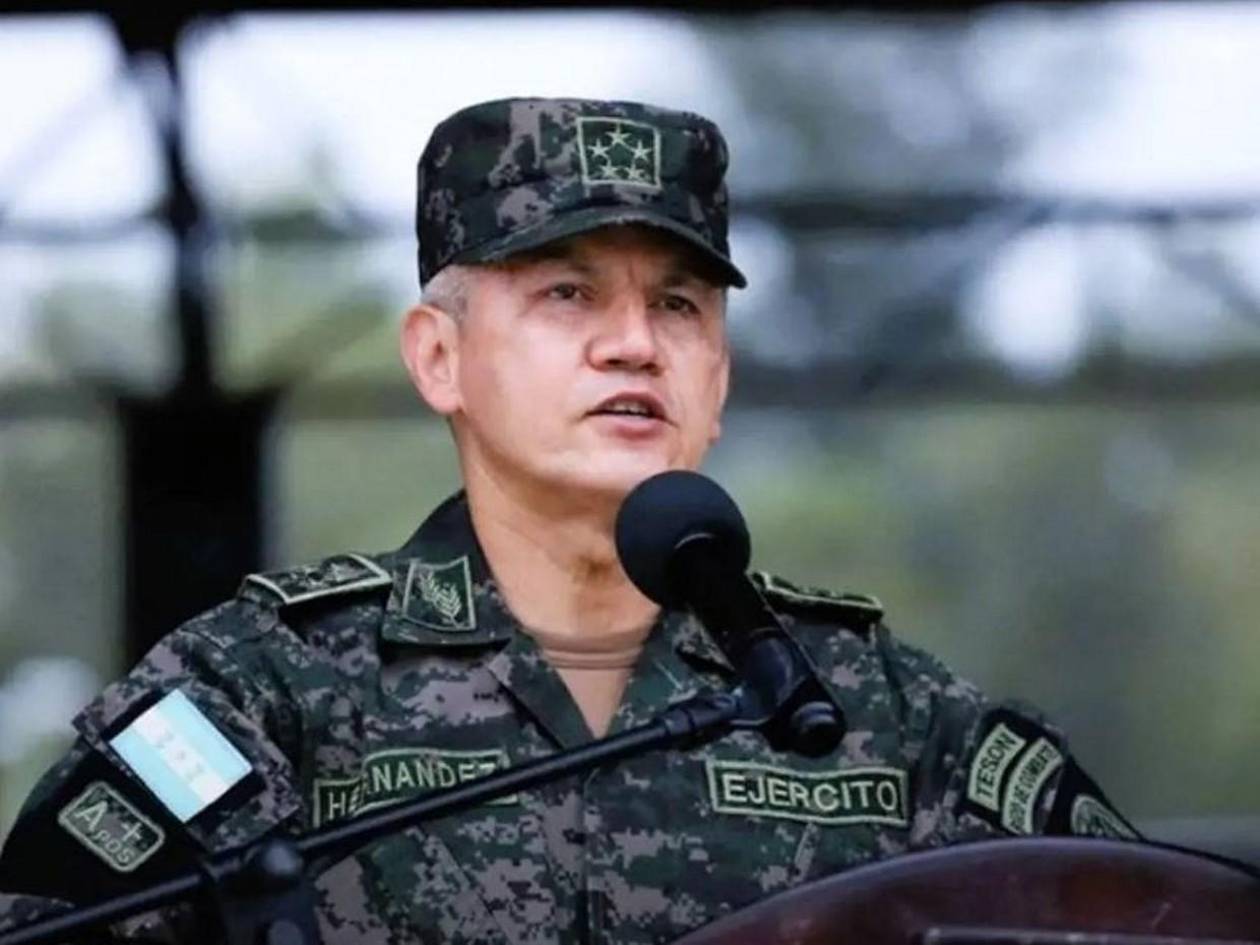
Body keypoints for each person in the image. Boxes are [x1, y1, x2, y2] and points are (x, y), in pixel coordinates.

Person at [0, 97, 1137, 944]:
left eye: (678, 305)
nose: (634, 343)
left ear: (719, 377)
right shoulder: (265, 693)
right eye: (567, 293)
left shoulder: (887, 713)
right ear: (438, 358)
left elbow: (1155, 919)